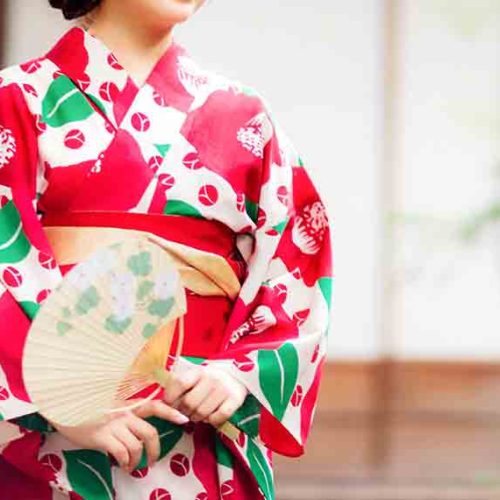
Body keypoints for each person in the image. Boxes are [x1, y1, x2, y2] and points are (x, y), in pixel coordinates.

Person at [0, 0, 333, 498]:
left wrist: (237, 376)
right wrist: (65, 402)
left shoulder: (243, 115)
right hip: (64, 438)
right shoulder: (18, 98)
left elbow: (296, 262)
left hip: (201, 426)